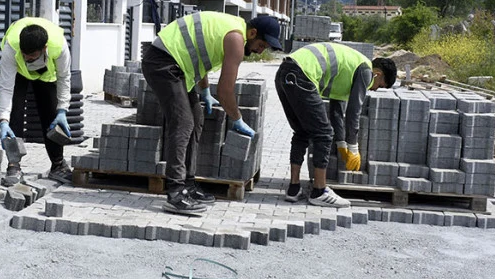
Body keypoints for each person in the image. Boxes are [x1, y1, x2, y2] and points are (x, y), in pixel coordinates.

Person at [142, 11, 283, 215]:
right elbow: (225, 92)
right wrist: (237, 118)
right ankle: (175, 192)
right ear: (252, 33)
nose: (260, 51)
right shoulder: (236, 39)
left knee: (196, 118)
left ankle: (188, 184)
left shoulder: (231, 29)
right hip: (162, 62)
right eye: (261, 45)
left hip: (174, 64)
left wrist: (205, 90)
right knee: (183, 123)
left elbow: (200, 56)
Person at [276, 42, 396, 207]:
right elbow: (354, 111)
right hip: (302, 74)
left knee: (302, 132)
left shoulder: (349, 69)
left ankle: (294, 188)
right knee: (324, 134)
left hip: (285, 71)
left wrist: (341, 143)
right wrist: (353, 147)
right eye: (380, 85)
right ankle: (319, 191)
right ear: (377, 74)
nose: (375, 90)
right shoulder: (365, 71)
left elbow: (336, 111)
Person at [0, 17, 74, 185]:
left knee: (51, 113)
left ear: (44, 48)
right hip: (19, 74)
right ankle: (14, 165)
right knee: (15, 111)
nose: (27, 59)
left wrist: (62, 110)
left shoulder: (59, 46)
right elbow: (5, 87)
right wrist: (3, 120)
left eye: (31, 56)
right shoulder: (11, 47)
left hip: (46, 76)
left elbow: (64, 78)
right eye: (25, 55)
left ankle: (58, 165)